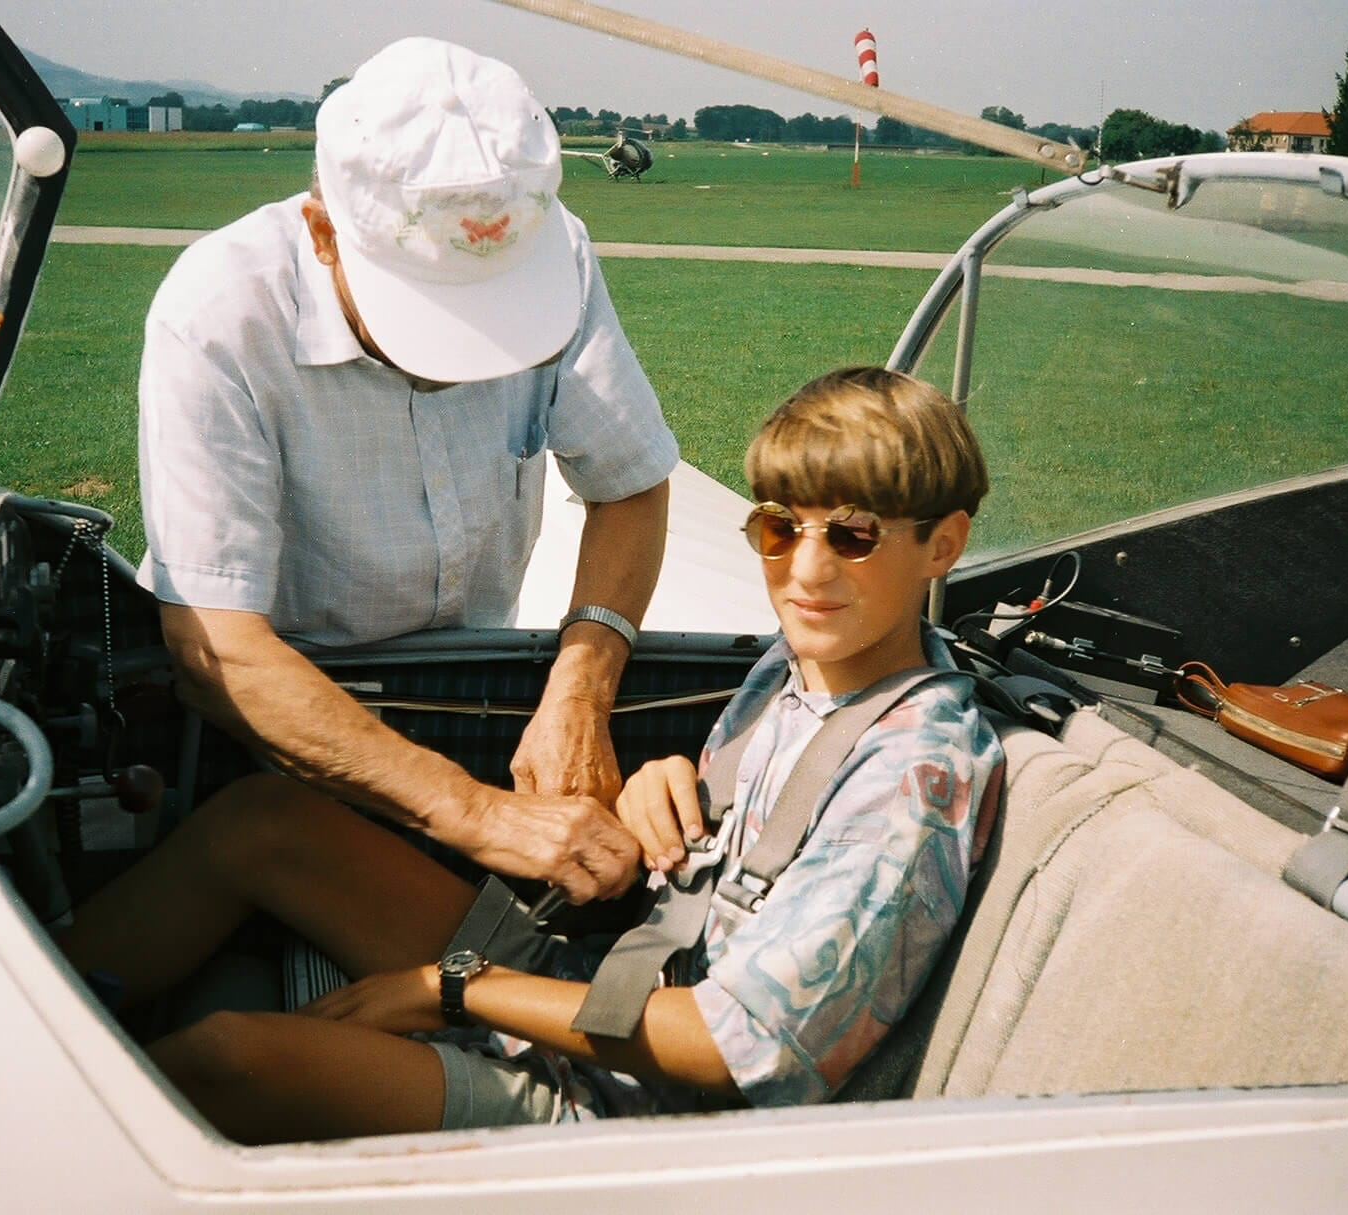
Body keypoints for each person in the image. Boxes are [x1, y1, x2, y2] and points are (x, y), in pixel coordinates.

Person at [60, 366, 1005, 1142]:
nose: (806, 570)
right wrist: (665, 788)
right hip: (613, 978)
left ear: (942, 546)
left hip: (645, 1107)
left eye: (853, 536)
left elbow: (737, 1048)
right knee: (262, 822)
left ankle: (29, 1135)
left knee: (231, 1061)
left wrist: (457, 989)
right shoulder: (802, 668)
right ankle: (19, 1029)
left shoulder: (912, 778)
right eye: (778, 527)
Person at [135, 38, 679, 902]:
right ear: (322, 232)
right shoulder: (218, 312)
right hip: (287, 711)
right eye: (431, 316)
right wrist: (481, 815)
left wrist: (581, 688)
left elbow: (631, 483)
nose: (464, 362)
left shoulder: (559, 251)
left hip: (477, 673)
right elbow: (219, 652)